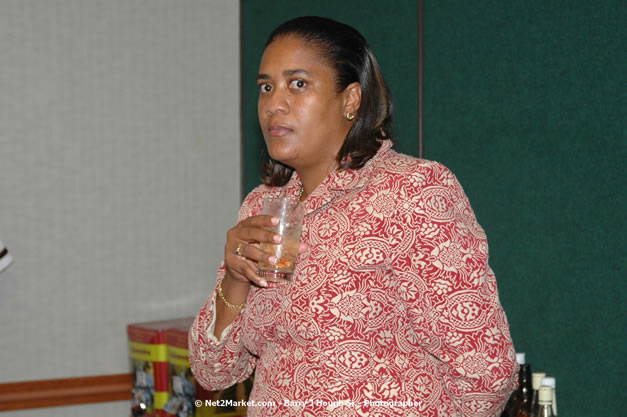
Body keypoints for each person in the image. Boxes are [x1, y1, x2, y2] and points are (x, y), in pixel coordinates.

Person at [189, 16, 517, 417]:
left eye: (298, 83)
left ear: (351, 99)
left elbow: (486, 373)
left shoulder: (411, 190)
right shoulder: (262, 206)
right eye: (266, 87)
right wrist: (236, 278)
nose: (274, 103)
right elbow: (214, 370)